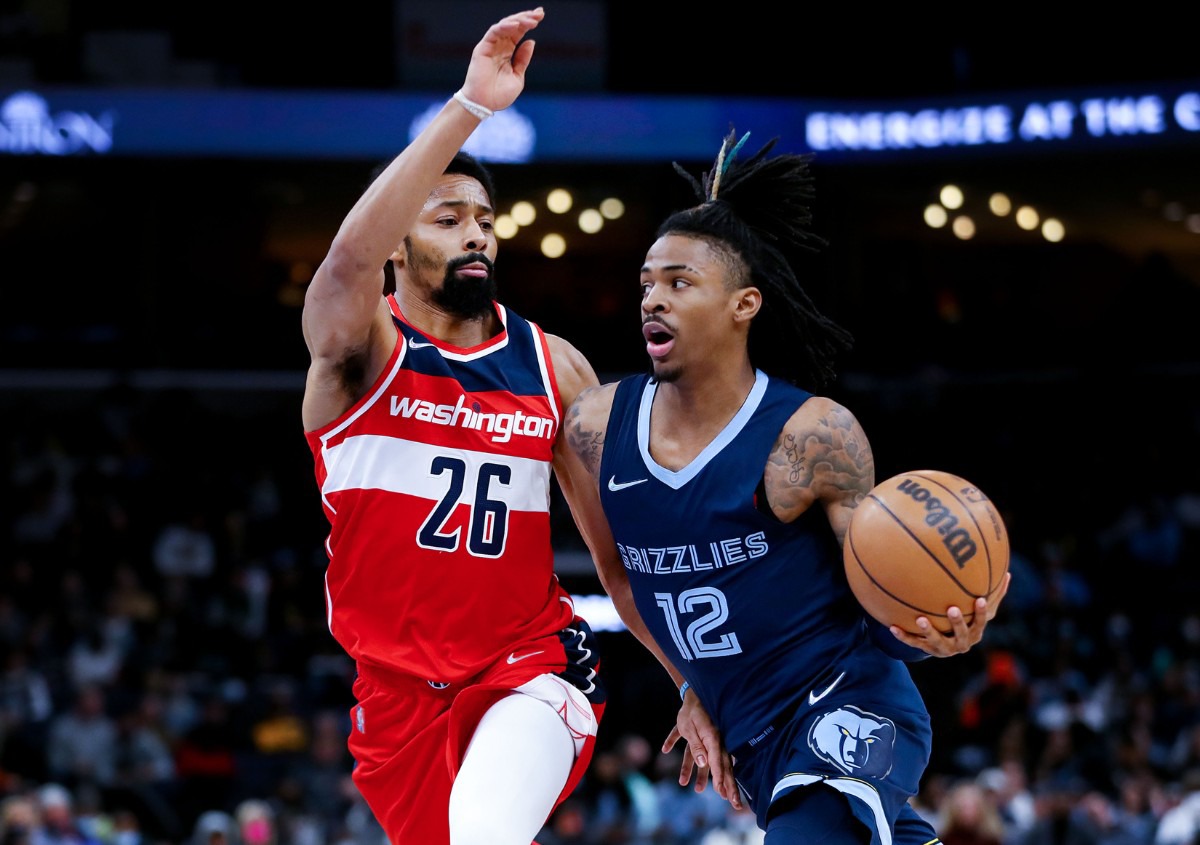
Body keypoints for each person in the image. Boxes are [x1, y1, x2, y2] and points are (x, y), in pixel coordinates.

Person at [565, 129, 1011, 844]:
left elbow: (884, 592)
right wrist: (688, 686)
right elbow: (619, 576)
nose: (653, 298)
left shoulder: (811, 436)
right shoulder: (593, 427)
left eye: (680, 283)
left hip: (847, 709)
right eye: (647, 282)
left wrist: (934, 632)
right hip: (751, 739)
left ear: (745, 304)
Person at [300, 8, 629, 845]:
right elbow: (342, 265)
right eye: (448, 219)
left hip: (531, 667)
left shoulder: (558, 367)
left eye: (484, 219)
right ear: (398, 249)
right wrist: (469, 107)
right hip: (396, 700)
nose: (477, 233)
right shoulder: (359, 358)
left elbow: (617, 560)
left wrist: (701, 688)